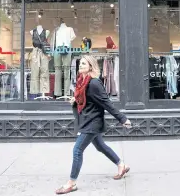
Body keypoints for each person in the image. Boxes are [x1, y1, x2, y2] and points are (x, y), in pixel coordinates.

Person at [55, 55, 132, 195]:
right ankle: (122, 165)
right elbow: (85, 100)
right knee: (100, 146)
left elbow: (106, 102)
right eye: (80, 64)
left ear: (91, 66)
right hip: (86, 120)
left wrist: (122, 118)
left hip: (92, 122)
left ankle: (71, 183)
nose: (81, 66)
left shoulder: (94, 83)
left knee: (77, 150)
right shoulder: (82, 81)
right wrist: (75, 100)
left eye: (84, 63)